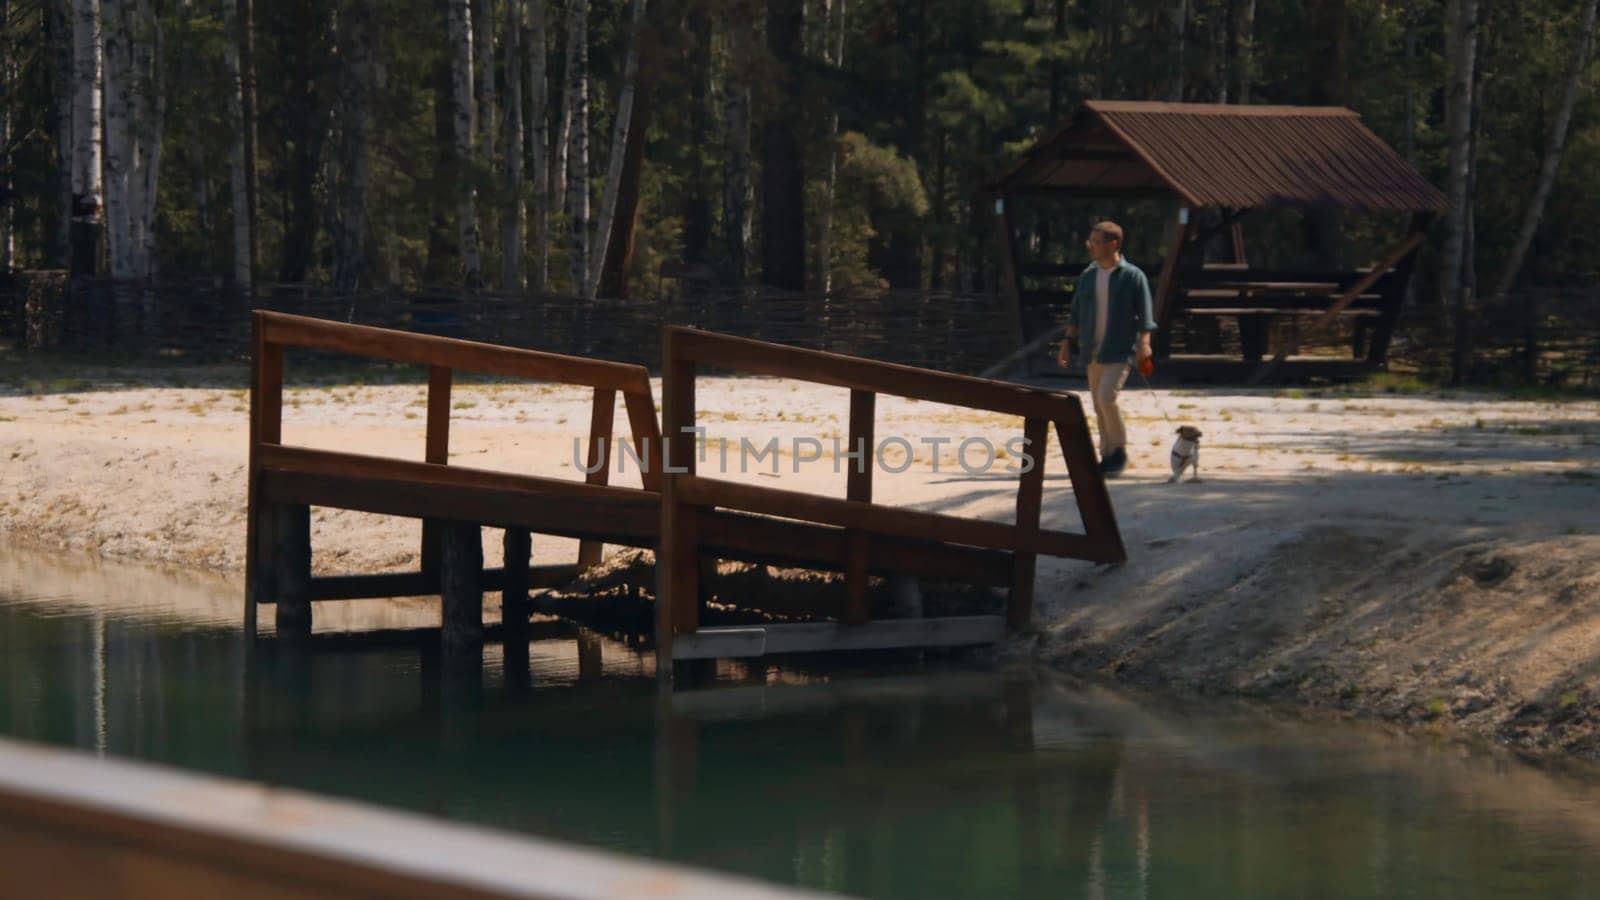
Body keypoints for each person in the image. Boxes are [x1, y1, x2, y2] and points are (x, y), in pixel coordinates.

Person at [1056, 221, 1156, 478]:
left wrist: (1145, 344)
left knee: (1106, 397)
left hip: (1119, 350)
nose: (1091, 246)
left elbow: (1145, 314)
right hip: (1092, 350)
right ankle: (1107, 455)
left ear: (1113, 244)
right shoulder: (1088, 276)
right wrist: (1067, 343)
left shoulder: (1133, 276)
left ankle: (1119, 450)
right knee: (1098, 404)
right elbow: (1076, 312)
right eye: (1090, 241)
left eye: (1096, 242)